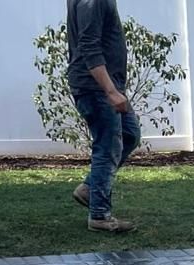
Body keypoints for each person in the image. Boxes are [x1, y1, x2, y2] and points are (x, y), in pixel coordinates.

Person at [67, 0, 141, 233]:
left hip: (107, 86)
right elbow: (89, 46)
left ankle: (90, 189)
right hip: (96, 87)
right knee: (107, 146)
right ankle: (99, 216)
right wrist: (110, 90)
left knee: (129, 135)